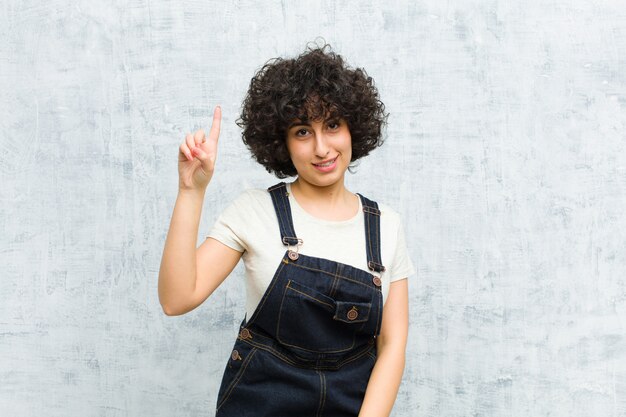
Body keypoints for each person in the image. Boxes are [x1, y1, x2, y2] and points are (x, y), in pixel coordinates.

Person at [158, 44, 414, 417]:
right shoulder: (255, 211)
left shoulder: (385, 226)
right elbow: (176, 299)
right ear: (282, 143)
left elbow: (392, 345)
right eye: (302, 131)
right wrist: (190, 191)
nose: (322, 148)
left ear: (352, 127)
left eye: (331, 125)